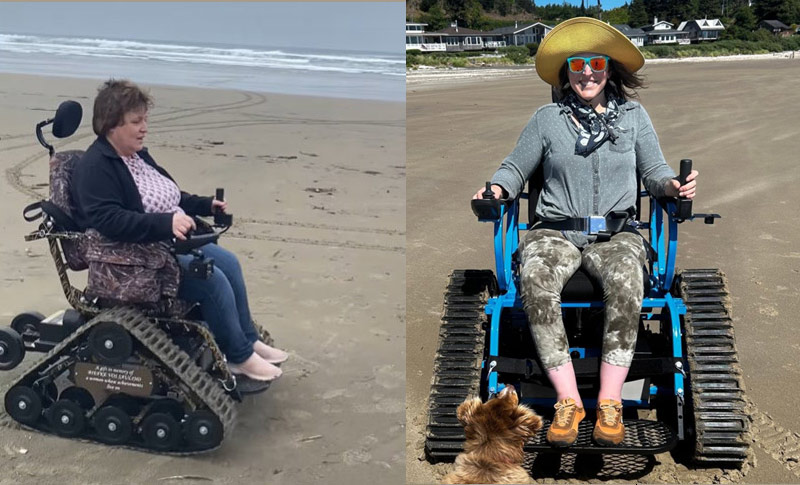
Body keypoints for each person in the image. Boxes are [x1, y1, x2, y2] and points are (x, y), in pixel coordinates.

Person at [471, 18, 698, 447]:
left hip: (617, 235)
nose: (587, 73)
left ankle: (610, 404)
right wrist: (496, 187)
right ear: (566, 73)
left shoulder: (633, 117)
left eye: (595, 63)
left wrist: (673, 186)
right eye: (577, 65)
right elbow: (516, 168)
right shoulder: (546, 119)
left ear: (609, 68)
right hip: (554, 233)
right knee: (535, 279)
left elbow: (654, 171)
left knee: (628, 279)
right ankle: (569, 402)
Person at [72, 79, 288, 382]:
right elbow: (108, 220)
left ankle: (247, 341)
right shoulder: (96, 167)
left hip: (165, 244)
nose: (144, 127)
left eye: (145, 119)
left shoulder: (136, 155)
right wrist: (165, 224)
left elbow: (169, 195)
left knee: (229, 263)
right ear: (110, 125)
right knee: (212, 278)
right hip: (136, 259)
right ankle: (238, 358)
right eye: (136, 121)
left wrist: (204, 205)